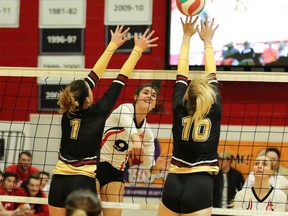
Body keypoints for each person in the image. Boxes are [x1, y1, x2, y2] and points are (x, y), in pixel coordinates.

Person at [48, 24, 159, 216]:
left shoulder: (68, 111)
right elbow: (121, 78)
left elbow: (93, 75)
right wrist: (137, 50)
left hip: (58, 180)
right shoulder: (98, 112)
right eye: (90, 89)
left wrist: (112, 45)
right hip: (83, 181)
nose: (91, 86)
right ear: (88, 99)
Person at [158, 15, 222, 216]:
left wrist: (186, 37)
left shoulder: (178, 106)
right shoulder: (214, 108)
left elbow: (181, 72)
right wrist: (208, 42)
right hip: (200, 184)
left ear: (187, 95)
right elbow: (211, 73)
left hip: (174, 182)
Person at [97, 82, 169, 216]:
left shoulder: (148, 133)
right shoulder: (124, 109)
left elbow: (149, 168)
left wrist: (156, 168)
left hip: (115, 172)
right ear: (136, 97)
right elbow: (128, 124)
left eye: (153, 95)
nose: (150, 96)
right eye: (146, 92)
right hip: (94, 165)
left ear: (154, 104)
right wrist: (136, 140)